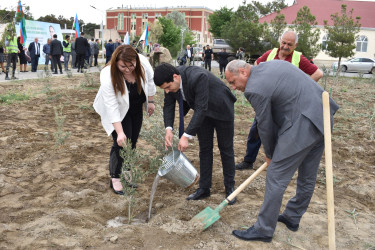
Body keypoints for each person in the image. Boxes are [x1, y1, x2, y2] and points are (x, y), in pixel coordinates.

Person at [225, 59, 339, 242]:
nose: (233, 87)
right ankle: (292, 217)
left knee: (276, 175)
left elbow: (265, 124)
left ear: (243, 72)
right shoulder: (273, 64)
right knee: (308, 175)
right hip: (323, 116)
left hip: (303, 124)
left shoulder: (254, 88)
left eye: (233, 82)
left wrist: (270, 154)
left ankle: (263, 229)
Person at [235, 30, 324, 171]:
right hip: (266, 101)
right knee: (257, 129)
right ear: (280, 41)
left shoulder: (298, 58)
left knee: (282, 133)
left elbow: (318, 73)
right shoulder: (270, 54)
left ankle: (278, 162)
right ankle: (248, 160)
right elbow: (256, 68)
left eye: (289, 44)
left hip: (285, 105)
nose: (285, 46)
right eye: (283, 43)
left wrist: (300, 89)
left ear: (295, 45)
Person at [153, 63, 237, 205]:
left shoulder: (198, 77)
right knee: (205, 149)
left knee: (225, 149)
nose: (167, 91)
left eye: (167, 87)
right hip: (202, 112)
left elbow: (201, 108)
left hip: (221, 108)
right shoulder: (169, 81)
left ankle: (230, 188)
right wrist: (168, 129)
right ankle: (204, 188)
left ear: (175, 77)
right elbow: (168, 105)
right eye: (164, 89)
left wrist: (186, 136)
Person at [93, 45, 156, 195]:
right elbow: (111, 105)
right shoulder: (107, 74)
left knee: (132, 142)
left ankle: (126, 175)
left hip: (135, 107)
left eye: (131, 65)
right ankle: (115, 178)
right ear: (116, 63)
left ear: (136, 61)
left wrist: (151, 101)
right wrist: (119, 132)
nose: (127, 69)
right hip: (118, 111)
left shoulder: (143, 63)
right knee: (121, 143)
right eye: (123, 66)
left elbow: (151, 82)